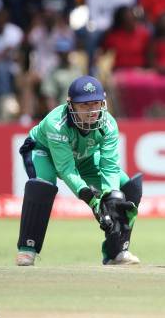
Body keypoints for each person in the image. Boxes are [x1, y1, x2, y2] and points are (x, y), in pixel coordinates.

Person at [15, 76, 143, 266]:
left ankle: (115, 252)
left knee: (126, 189)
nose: (92, 111)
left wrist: (110, 200)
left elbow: (109, 166)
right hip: (45, 152)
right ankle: (27, 249)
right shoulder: (56, 124)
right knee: (43, 184)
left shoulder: (109, 124)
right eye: (84, 105)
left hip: (84, 157)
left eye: (96, 103)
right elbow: (66, 168)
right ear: (70, 105)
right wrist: (93, 201)